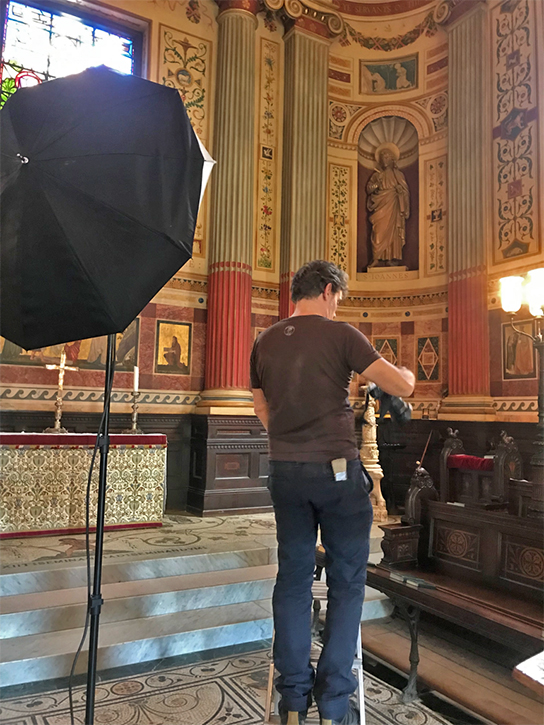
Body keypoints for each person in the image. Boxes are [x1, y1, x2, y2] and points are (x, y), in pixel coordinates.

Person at [250, 260, 415, 725]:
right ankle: (335, 704)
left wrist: (290, 442)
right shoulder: (341, 334)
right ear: (327, 290)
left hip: (285, 472)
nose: (337, 304)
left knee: (293, 580)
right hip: (338, 476)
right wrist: (407, 374)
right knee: (346, 584)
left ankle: (293, 703)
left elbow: (261, 407)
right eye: (338, 297)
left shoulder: (264, 340)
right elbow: (401, 386)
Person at [366, 144, 410, 267]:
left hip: (394, 205)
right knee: (378, 231)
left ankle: (392, 258)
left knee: (394, 231)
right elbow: (369, 189)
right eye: (382, 157)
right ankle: (376, 257)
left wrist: (400, 191)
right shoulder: (377, 175)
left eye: (386, 157)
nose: (384, 159)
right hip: (380, 205)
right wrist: (376, 185)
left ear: (392, 159)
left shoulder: (398, 175)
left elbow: (405, 191)